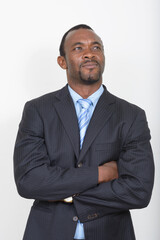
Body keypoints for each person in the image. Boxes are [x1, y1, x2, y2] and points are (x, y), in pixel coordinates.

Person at [14, 24, 154, 240]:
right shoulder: (37, 110)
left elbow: (139, 190)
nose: (90, 53)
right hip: (48, 232)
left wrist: (67, 195)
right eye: (78, 48)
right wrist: (102, 174)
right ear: (62, 62)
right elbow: (29, 181)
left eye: (96, 47)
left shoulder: (131, 115)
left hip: (110, 233)